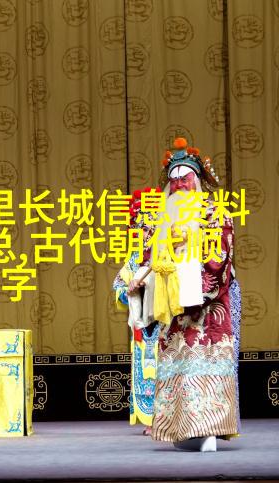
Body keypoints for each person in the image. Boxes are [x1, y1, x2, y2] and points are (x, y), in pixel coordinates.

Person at [149, 138, 241, 451]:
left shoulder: (215, 214)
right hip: (174, 307)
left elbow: (219, 259)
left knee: (203, 362)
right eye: (173, 180)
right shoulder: (163, 219)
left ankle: (208, 430)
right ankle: (181, 430)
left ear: (197, 180)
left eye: (185, 177)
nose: (179, 185)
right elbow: (151, 257)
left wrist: (195, 287)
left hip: (207, 307)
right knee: (178, 363)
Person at [113, 188, 160, 435]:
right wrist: (130, 289)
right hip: (142, 327)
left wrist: (150, 284)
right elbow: (118, 286)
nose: (144, 229)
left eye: (148, 223)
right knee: (145, 374)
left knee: (164, 372)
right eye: (140, 223)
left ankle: (166, 419)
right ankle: (151, 420)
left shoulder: (166, 252)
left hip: (164, 323)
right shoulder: (135, 256)